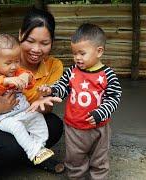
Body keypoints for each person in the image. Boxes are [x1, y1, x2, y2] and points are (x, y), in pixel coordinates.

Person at [0, 8, 64, 179]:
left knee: (54, 125)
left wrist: (42, 104)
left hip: (22, 116)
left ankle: (29, 156)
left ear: (52, 42)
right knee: (12, 145)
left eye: (44, 43)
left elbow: (46, 109)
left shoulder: (54, 66)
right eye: (30, 41)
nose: (36, 49)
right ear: (20, 35)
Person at [38, 23, 122, 179]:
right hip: (74, 127)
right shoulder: (72, 71)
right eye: (74, 53)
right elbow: (63, 87)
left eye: (82, 53)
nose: (77, 57)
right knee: (74, 159)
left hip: (99, 128)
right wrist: (51, 90)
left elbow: (114, 97)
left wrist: (101, 112)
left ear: (99, 51)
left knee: (99, 159)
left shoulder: (107, 74)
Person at [0, 33, 54, 166]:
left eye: (17, 61)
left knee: (38, 118)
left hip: (23, 111)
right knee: (17, 127)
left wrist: (26, 77)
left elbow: (28, 77)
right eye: (8, 63)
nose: (14, 66)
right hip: (4, 118)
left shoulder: (16, 71)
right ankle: (32, 151)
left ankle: (38, 148)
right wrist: (5, 81)